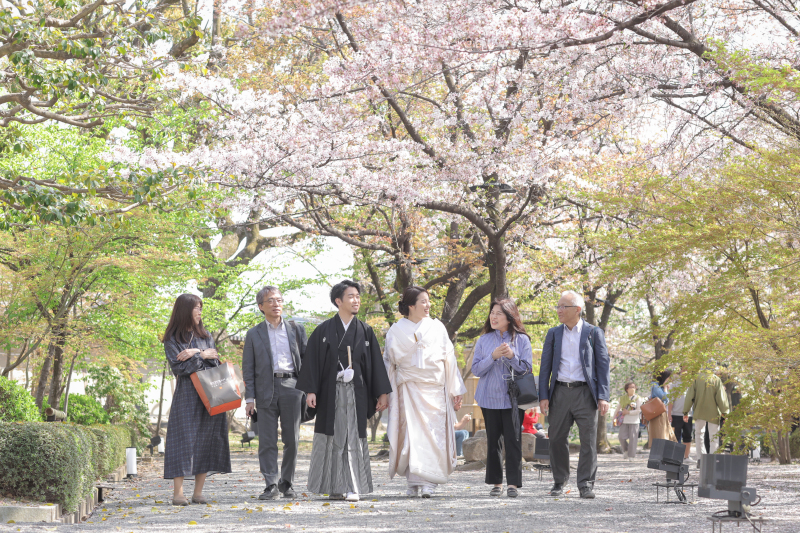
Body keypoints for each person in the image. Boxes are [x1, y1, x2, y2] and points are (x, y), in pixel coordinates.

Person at [296, 280, 392, 502]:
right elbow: (312, 362)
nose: (356, 300)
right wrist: (311, 390)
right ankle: (334, 485)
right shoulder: (323, 330)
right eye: (351, 296)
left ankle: (352, 485)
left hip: (355, 392)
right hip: (331, 392)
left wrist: (382, 393)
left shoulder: (365, 331)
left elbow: (375, 364)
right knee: (332, 436)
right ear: (338, 301)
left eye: (358, 296)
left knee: (352, 436)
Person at [384, 286, 467, 497]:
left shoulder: (438, 328)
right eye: (423, 301)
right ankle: (413, 481)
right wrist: (385, 392)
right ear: (411, 305)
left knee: (433, 434)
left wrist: (455, 390)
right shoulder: (395, 331)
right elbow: (389, 364)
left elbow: (450, 359)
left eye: (428, 301)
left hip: (435, 389)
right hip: (409, 388)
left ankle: (430, 481)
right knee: (412, 435)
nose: (428, 305)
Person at [538, 290, 610, 499]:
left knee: (588, 440)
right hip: (559, 392)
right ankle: (559, 481)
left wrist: (603, 396)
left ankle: (585, 484)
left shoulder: (593, 332)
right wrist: (544, 395)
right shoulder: (553, 333)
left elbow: (603, 366)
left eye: (563, 306)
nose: (559, 310)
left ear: (577, 310)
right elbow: (545, 367)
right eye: (558, 306)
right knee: (557, 438)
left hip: (586, 394)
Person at [162, 294, 231, 506]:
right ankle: (178, 493)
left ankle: (198, 492)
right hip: (187, 395)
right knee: (182, 440)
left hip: (211, 392)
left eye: (201, 308)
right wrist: (202, 355)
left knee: (206, 439)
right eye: (196, 308)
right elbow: (179, 368)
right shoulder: (172, 339)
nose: (200, 312)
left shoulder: (205, 335)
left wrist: (197, 353)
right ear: (185, 310)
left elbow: (214, 361)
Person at [242, 286, 307, 500]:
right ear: (261, 306)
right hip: (264, 390)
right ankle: (270, 483)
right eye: (270, 300)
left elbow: (306, 361)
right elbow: (248, 368)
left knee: (292, 440)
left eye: (279, 300)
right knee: (267, 440)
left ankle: (286, 482)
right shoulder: (253, 334)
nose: (276, 304)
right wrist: (249, 398)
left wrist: (308, 389)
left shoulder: (296, 329)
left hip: (292, 386)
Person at [472, 298, 533, 498]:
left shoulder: (522, 340)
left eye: (498, 313)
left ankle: (513, 484)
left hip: (513, 399)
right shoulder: (483, 340)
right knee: (493, 441)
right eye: (492, 313)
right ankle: (496, 483)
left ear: (509, 316)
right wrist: (494, 356)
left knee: (513, 440)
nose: (493, 316)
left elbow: (526, 368)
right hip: (488, 397)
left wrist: (511, 357)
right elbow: (476, 370)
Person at [683, 370, 730, 466]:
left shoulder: (696, 379)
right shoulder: (716, 380)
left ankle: (701, 459)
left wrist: (685, 412)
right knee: (714, 436)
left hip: (699, 411)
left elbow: (689, 396)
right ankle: (713, 460)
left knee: (699, 434)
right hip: (713, 413)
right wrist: (725, 412)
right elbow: (721, 398)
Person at [668, 370, 693, 461]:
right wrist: (669, 414)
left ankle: (686, 456)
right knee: (676, 436)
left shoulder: (692, 384)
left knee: (688, 436)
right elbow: (670, 400)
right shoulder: (674, 384)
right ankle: (675, 457)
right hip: (676, 414)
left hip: (689, 415)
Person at [614, 382, 642, 460]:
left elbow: (638, 410)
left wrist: (628, 412)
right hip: (624, 420)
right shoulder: (622, 398)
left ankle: (631, 456)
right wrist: (614, 418)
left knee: (633, 439)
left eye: (634, 387)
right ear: (626, 389)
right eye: (630, 387)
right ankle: (626, 450)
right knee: (621, 437)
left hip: (634, 421)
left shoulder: (638, 398)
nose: (632, 389)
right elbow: (617, 409)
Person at [648, 370, 675, 446]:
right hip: (657, 414)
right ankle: (659, 454)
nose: (670, 380)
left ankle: (662, 453)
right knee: (660, 435)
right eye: (669, 378)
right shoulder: (655, 385)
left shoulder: (663, 387)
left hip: (663, 413)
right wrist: (665, 388)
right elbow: (665, 399)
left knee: (665, 435)